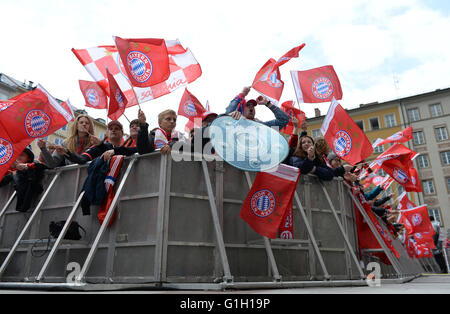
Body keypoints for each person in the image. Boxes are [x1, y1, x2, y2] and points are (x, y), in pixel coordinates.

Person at [61, 120, 137, 164]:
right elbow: (82, 158)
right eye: (110, 129)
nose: (113, 130)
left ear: (122, 133)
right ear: (107, 133)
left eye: (117, 128)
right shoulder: (98, 147)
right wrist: (67, 153)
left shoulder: (127, 149)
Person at [0, 147, 47, 212]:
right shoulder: (5, 168)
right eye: (17, 155)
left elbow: (42, 167)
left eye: (22, 155)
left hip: (15, 208)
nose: (18, 157)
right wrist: (11, 174)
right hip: (3, 204)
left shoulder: (32, 167)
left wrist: (25, 167)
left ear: (29, 158)